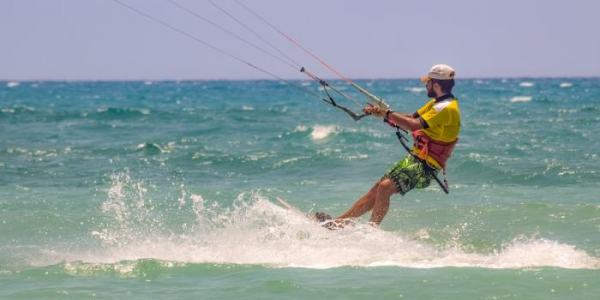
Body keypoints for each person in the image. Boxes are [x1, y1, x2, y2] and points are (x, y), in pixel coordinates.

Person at [317, 64, 461, 227]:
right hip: (416, 159)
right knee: (377, 189)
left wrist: (387, 113)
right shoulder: (437, 103)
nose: (425, 85)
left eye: (427, 82)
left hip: (427, 166)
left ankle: (371, 231)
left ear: (436, 85)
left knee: (385, 188)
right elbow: (409, 117)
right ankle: (337, 224)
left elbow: (413, 125)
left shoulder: (445, 108)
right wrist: (381, 114)